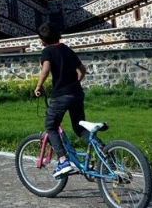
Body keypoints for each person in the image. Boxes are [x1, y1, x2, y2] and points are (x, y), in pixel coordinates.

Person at [33, 22, 104, 178]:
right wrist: (76, 83)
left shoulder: (48, 51)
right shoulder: (68, 50)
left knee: (50, 125)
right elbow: (82, 70)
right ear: (59, 36)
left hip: (61, 96)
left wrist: (38, 86)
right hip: (77, 94)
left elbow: (45, 70)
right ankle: (105, 155)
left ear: (42, 41)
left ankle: (63, 161)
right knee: (80, 128)